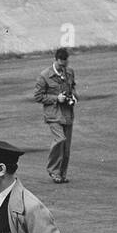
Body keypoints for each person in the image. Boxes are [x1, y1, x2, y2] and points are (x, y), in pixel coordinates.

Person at [33, 47, 77, 184]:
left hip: (67, 114)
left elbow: (73, 87)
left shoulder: (69, 72)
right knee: (60, 139)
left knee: (66, 147)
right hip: (53, 114)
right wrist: (56, 98)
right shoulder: (44, 75)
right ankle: (53, 170)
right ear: (56, 60)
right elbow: (38, 96)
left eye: (65, 64)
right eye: (61, 64)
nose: (63, 67)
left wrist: (74, 97)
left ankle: (61, 175)